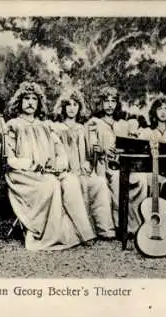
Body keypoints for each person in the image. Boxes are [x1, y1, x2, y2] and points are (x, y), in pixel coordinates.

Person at [5, 82, 96, 251]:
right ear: (20, 102)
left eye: (34, 99)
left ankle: (83, 233)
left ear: (39, 103)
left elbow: (59, 150)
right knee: (51, 184)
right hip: (23, 175)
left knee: (70, 180)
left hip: (48, 172)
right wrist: (30, 164)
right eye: (26, 99)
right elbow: (9, 158)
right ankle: (49, 236)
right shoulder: (13, 125)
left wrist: (60, 164)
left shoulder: (46, 126)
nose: (31, 102)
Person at [51, 89, 116, 239]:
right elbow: (54, 154)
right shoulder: (57, 128)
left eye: (75, 105)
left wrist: (87, 163)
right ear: (63, 107)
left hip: (82, 170)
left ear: (80, 107)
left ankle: (104, 228)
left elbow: (88, 154)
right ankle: (82, 230)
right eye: (68, 105)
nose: (72, 108)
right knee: (76, 183)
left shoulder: (82, 129)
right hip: (65, 172)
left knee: (99, 183)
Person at [84, 86, 144, 235]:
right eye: (106, 101)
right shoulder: (94, 123)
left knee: (141, 179)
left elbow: (132, 146)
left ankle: (135, 225)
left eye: (113, 101)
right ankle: (120, 225)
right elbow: (90, 149)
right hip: (102, 165)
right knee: (117, 179)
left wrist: (124, 148)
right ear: (100, 103)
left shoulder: (123, 124)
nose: (110, 105)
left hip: (122, 164)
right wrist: (101, 149)